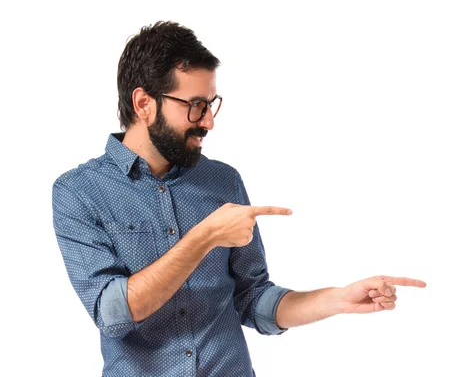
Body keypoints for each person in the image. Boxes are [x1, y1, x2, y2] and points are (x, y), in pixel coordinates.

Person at [52, 21, 426, 377]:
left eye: (211, 104)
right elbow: (114, 314)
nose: (208, 121)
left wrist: (337, 299)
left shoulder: (223, 180)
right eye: (195, 105)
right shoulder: (78, 192)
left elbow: (253, 298)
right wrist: (204, 237)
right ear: (143, 103)